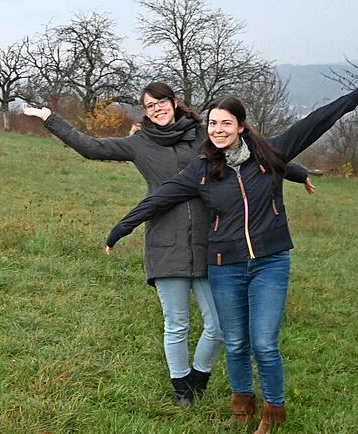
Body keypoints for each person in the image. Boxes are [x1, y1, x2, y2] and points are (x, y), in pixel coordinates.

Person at [22, 82, 313, 407]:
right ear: (145, 111)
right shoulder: (139, 144)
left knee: (217, 325)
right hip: (165, 241)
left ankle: (199, 377)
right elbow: (92, 147)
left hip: (210, 240)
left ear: (174, 102)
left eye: (161, 101)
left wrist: (298, 173)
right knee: (176, 322)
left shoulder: (204, 135)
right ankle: (182, 390)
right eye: (149, 105)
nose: (157, 108)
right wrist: (50, 118)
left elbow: (251, 154)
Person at [106, 88, 358, 431]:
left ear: (241, 126)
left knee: (264, 344)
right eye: (212, 123)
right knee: (236, 341)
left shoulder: (271, 153)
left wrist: (353, 97)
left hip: (270, 262)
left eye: (226, 123)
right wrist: (121, 228)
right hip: (225, 265)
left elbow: (318, 120)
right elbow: (161, 198)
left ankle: (273, 411)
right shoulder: (202, 169)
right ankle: (242, 407)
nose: (218, 129)